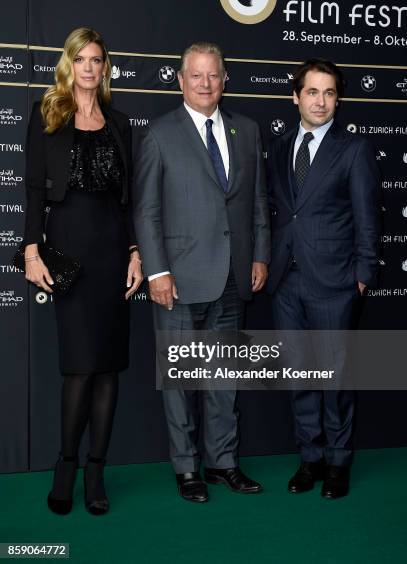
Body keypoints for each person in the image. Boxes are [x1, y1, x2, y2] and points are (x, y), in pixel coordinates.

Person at [133, 42, 270, 503]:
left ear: (225, 80)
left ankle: (223, 463)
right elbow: (147, 212)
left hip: (233, 276)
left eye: (214, 76)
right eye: (197, 76)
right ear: (181, 80)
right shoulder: (159, 134)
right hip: (180, 279)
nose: (206, 84)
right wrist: (156, 272)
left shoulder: (246, 131)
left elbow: (255, 204)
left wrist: (260, 256)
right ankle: (187, 468)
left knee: (224, 380)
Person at [23, 27, 142, 515]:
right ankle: (66, 464)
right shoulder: (46, 115)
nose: (89, 68)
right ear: (68, 65)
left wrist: (136, 252)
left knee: (108, 368)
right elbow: (32, 189)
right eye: (82, 59)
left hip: (113, 250)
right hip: (69, 252)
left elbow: (128, 199)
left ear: (105, 67)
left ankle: (96, 469)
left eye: (97, 60)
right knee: (79, 369)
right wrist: (31, 251)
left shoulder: (119, 123)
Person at [266, 58, 381, 498]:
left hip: (335, 281)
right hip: (286, 281)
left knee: (335, 380)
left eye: (329, 93)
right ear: (296, 97)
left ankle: (338, 463)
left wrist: (363, 275)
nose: (320, 101)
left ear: (337, 100)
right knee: (299, 377)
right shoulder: (278, 147)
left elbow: (369, 218)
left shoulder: (353, 149)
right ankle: (309, 459)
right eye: (312, 92)